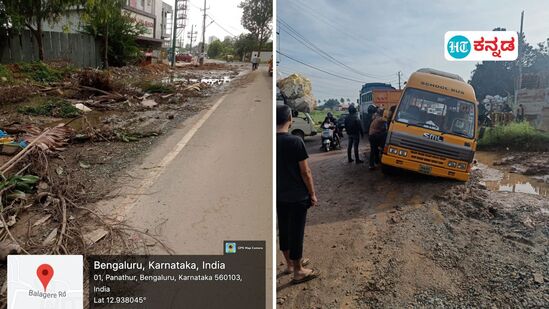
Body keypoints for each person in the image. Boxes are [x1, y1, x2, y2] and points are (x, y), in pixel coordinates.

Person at [276, 105, 320, 284]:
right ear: (290, 120)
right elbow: (305, 172)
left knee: (284, 230)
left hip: (278, 196)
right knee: (296, 232)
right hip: (297, 196)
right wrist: (312, 193)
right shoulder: (295, 141)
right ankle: (299, 271)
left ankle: (289, 265)